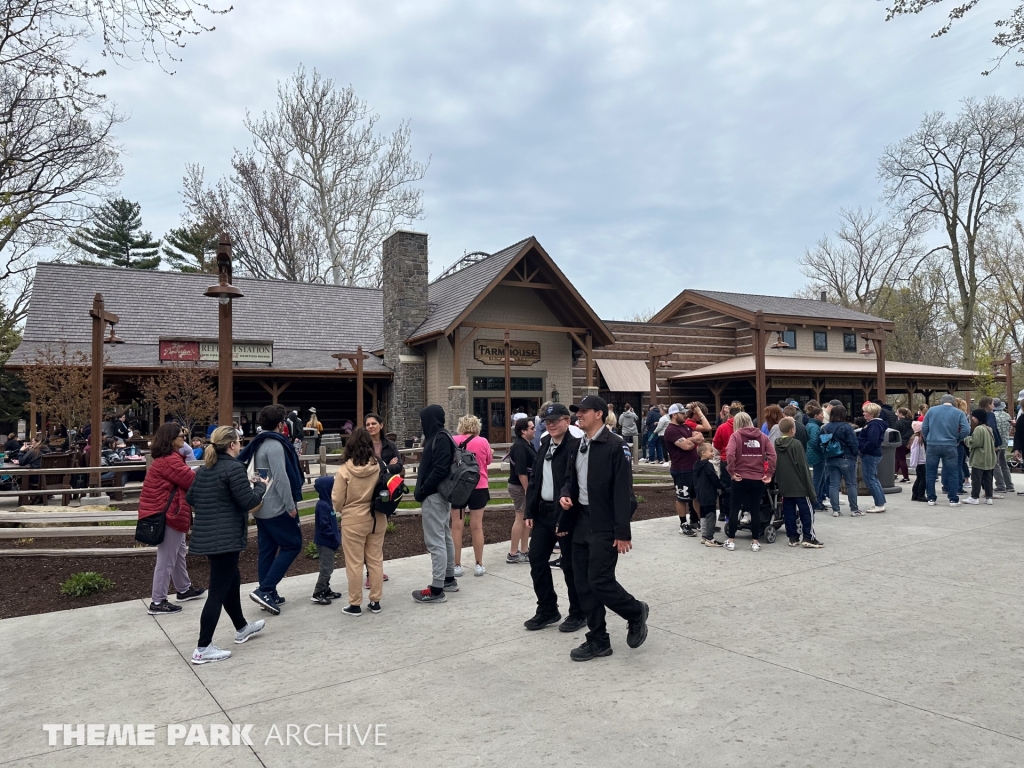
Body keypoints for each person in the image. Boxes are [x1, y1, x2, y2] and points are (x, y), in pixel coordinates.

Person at [559, 395, 648, 661]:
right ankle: (598, 639)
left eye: (583, 411)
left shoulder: (615, 446)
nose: (578, 416)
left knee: (599, 580)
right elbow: (569, 479)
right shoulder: (577, 444)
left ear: (598, 414)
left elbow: (623, 492)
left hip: (604, 523)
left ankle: (634, 611)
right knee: (581, 582)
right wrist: (566, 494)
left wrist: (622, 532)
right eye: (577, 412)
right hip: (580, 521)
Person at [185, 426, 268, 664]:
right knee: (218, 591)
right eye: (239, 441)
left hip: (210, 535)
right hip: (226, 537)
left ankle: (241, 627)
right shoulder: (234, 468)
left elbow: (191, 497)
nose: (240, 444)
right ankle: (203, 648)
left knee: (232, 580)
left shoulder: (205, 469)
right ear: (232, 445)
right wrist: (261, 485)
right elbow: (248, 501)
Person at [524, 403, 587, 633]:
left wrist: (568, 512)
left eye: (555, 421)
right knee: (537, 559)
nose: (550, 425)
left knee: (570, 565)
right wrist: (530, 510)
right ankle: (547, 609)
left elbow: (578, 483)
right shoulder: (543, 444)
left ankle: (579, 612)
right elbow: (535, 480)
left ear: (567, 422)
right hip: (543, 513)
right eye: (547, 422)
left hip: (567, 514)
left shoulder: (576, 446)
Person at [239, 405, 305, 615]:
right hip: (276, 506)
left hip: (261, 505)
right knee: (293, 545)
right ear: (280, 424)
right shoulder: (275, 445)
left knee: (267, 549)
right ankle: (265, 589)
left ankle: (270, 591)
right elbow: (282, 478)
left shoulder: (258, 443)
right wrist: (290, 505)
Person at [139, 422, 204, 615]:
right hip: (168, 514)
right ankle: (158, 601)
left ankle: (183, 589)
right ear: (171, 439)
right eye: (181, 436)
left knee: (178, 552)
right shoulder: (170, 460)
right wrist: (206, 468)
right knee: (167, 558)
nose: (184, 439)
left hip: (166, 512)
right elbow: (190, 480)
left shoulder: (166, 458)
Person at [333, 428, 387, 616]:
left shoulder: (344, 470)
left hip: (353, 519)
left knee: (354, 563)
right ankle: (376, 601)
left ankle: (355, 604)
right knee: (375, 560)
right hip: (377, 517)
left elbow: (337, 500)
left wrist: (343, 509)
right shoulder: (379, 466)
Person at [412, 404, 457, 603]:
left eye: (423, 420)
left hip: (434, 496)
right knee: (445, 536)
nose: (422, 424)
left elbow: (439, 470)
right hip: (442, 496)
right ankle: (448, 578)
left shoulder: (439, 439)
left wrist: (423, 490)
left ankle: (437, 589)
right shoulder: (443, 436)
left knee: (435, 541)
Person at [724, 411, 776, 551]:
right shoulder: (763, 437)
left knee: (734, 508)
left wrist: (732, 471)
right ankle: (754, 542)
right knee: (755, 510)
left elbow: (729, 454)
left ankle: (731, 540)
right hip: (757, 478)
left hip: (740, 477)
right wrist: (769, 473)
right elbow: (772, 455)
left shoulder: (736, 436)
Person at [451, 414, 494, 576]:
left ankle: (456, 565)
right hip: (479, 485)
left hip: (458, 487)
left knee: (456, 526)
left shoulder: (453, 440)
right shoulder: (483, 441)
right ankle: (478, 564)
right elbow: (488, 461)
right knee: (477, 526)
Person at [774, 417, 823, 548]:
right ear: (792, 430)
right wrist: (810, 488)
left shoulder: (776, 444)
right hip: (800, 485)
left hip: (785, 484)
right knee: (807, 511)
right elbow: (803, 466)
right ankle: (808, 536)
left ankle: (792, 537)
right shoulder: (796, 444)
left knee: (788, 511)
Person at [665, 403, 708, 537]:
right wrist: (692, 440)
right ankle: (683, 523)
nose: (685, 415)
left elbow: (701, 438)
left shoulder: (685, 427)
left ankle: (702, 522)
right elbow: (686, 446)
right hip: (681, 469)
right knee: (682, 497)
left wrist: (691, 439)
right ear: (674, 415)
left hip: (693, 467)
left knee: (696, 496)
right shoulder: (671, 430)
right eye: (682, 413)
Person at [922, 394, 970, 507]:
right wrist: (958, 439)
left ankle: (931, 498)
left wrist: (928, 438)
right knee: (952, 472)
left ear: (941, 401)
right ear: (953, 402)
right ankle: (953, 499)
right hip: (950, 445)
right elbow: (966, 429)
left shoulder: (932, 411)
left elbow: (924, 427)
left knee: (930, 473)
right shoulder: (959, 413)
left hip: (932, 444)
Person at [504, 417, 534, 567]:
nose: (534, 430)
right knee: (520, 517)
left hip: (522, 487)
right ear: (523, 431)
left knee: (525, 519)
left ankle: (524, 550)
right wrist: (528, 490)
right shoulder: (521, 447)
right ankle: (513, 553)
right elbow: (521, 472)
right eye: (531, 428)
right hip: (520, 487)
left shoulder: (525, 445)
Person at [822, 405, 861, 516]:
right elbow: (854, 443)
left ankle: (836, 510)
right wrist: (854, 455)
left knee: (833, 485)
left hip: (830, 458)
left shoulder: (825, 427)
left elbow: (819, 443)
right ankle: (854, 510)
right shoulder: (847, 427)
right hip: (847, 457)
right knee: (851, 484)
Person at [310, 476, 341, 605]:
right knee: (326, 569)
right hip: (325, 543)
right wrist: (334, 538)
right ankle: (318, 592)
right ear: (327, 489)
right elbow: (324, 526)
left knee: (329, 567)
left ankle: (326, 589)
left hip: (330, 542)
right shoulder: (322, 505)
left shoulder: (329, 503)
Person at [692, 442, 724, 546]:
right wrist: (721, 486)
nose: (713, 453)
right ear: (703, 453)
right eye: (710, 451)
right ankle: (710, 538)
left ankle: (704, 535)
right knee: (711, 516)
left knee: (703, 516)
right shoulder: (708, 465)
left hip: (700, 494)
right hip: (709, 494)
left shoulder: (696, 465)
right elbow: (714, 478)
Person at [858, 402, 888, 513]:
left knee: (870, 479)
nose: (864, 413)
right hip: (874, 454)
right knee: (873, 478)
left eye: (866, 412)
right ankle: (880, 502)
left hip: (870, 454)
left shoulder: (874, 425)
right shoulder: (876, 424)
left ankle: (879, 504)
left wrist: (862, 450)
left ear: (872, 413)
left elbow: (872, 441)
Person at [964, 408, 996, 505]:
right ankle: (989, 497)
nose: (972, 418)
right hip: (989, 457)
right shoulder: (989, 428)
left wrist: (966, 439)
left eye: (974, 416)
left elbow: (974, 443)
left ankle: (974, 497)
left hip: (979, 457)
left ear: (978, 418)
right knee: (988, 478)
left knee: (976, 478)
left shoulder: (978, 429)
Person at [978, 397, 1007, 498]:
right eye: (992, 404)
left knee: (982, 468)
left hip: (981, 443)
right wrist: (995, 444)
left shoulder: (978, 414)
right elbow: (992, 427)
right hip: (992, 443)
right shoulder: (990, 414)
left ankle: (985, 489)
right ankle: (990, 490)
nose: (993, 406)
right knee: (992, 467)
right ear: (988, 404)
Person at [805, 405, 827, 512]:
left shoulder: (809, 425)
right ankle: (815, 502)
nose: (823, 416)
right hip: (816, 456)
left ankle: (817, 500)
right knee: (817, 480)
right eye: (821, 414)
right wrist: (823, 449)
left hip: (811, 454)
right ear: (816, 416)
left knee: (818, 479)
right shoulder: (814, 427)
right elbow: (815, 442)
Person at [991, 398, 1015, 494]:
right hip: (1004, 442)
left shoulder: (992, 416)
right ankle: (1009, 485)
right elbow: (1009, 428)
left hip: (995, 443)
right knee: (1004, 464)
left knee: (995, 464)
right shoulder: (1007, 416)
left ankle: (1000, 485)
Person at [909, 421, 927, 501]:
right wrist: (914, 464)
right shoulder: (917, 439)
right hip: (920, 462)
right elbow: (915, 452)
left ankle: (915, 494)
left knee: (919, 478)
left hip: (920, 462)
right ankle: (920, 495)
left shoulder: (917, 438)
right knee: (923, 479)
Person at [895, 407, 914, 483]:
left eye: (897, 413)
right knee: (898, 457)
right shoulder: (912, 422)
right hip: (910, 442)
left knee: (901, 459)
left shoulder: (898, 423)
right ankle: (895, 473)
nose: (896, 414)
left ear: (901, 414)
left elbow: (895, 432)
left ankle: (906, 477)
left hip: (901, 442)